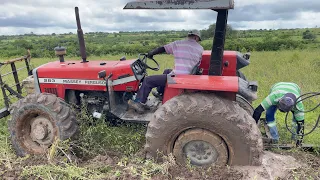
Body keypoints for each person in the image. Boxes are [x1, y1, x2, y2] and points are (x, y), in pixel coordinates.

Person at [128, 30, 204, 113]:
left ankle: (139, 103)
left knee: (147, 80)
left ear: (189, 36)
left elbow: (163, 48)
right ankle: (161, 93)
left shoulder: (178, 43)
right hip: (188, 76)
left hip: (177, 78)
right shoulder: (200, 48)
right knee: (167, 71)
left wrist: (151, 53)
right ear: (196, 38)